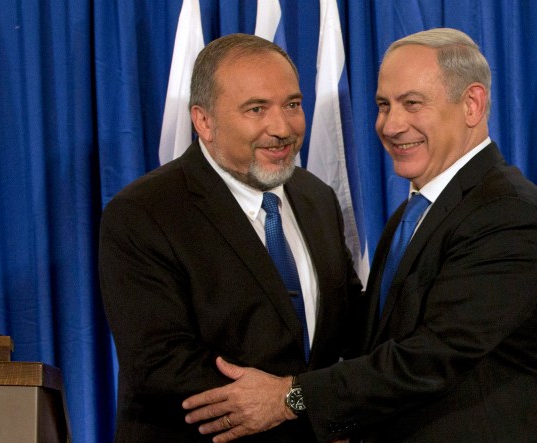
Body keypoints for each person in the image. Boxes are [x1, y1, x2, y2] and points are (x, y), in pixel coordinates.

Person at [181, 28, 537, 443]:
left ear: (472, 103)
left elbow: (433, 356)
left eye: (412, 104)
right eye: (384, 105)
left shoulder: (506, 212)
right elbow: (371, 334)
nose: (392, 124)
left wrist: (288, 397)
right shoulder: (416, 212)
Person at [98, 33, 364, 442]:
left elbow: (347, 328)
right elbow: (161, 364)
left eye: (292, 104)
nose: (282, 128)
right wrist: (304, 405)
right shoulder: (145, 212)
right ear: (204, 121)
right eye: (257, 109)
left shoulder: (317, 198)